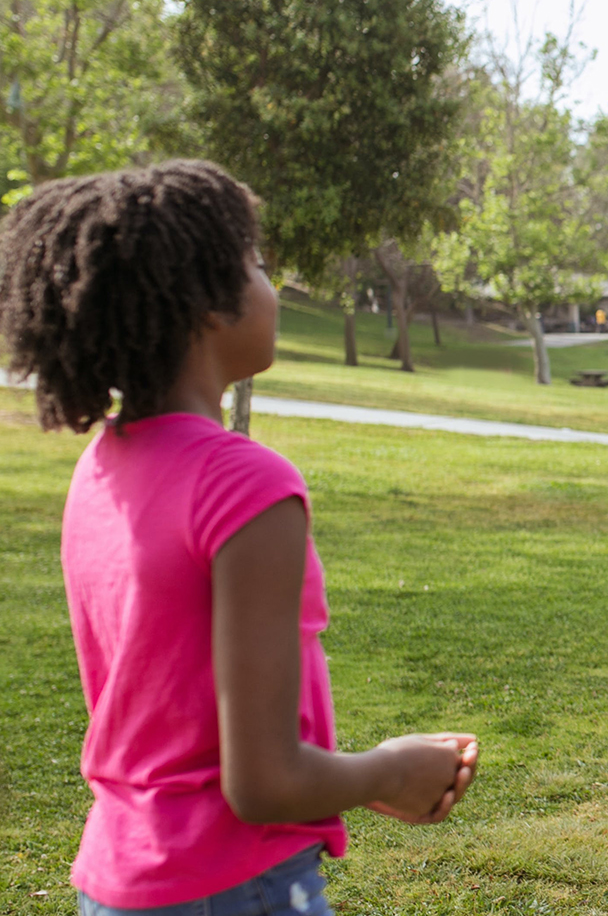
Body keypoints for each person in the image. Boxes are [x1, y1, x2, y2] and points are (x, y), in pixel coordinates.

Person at [0, 162, 480, 915]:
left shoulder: (101, 464)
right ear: (205, 306)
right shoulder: (245, 483)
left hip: (117, 878)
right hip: (230, 886)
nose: (273, 285)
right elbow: (262, 784)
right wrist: (390, 771)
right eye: (256, 264)